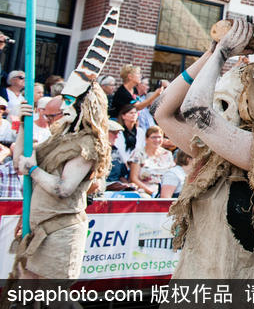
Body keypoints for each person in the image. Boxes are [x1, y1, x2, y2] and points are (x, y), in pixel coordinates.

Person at [156, 19, 254, 279]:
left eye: (223, 103)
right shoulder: (211, 156)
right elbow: (162, 111)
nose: (216, 114)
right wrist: (211, 52)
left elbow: (195, 110)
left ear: (252, 111)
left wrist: (222, 54)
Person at [10, 82, 111, 278]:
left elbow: (64, 189)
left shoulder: (88, 144)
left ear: (85, 105)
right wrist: (24, 125)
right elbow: (19, 162)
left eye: (69, 101)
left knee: (55, 300)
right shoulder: (58, 139)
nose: (64, 107)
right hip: (38, 229)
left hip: (61, 232)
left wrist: (33, 169)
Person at [128, 125, 174, 197]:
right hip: (145, 190)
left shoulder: (167, 154)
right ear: (146, 139)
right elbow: (133, 178)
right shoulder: (138, 154)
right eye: (153, 137)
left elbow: (172, 175)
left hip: (165, 190)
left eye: (159, 137)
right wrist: (151, 192)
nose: (157, 140)